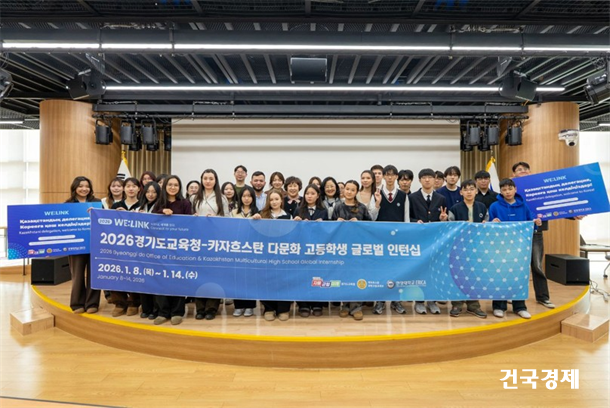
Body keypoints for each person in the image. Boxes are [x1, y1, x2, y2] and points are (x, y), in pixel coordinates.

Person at [512, 161, 563, 309]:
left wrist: (573, 215)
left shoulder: (540, 188)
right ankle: (511, 296)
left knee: (537, 266)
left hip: (535, 232)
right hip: (515, 233)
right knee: (513, 266)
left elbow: (556, 206)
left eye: (525, 169)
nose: (523, 171)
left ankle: (543, 297)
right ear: (513, 174)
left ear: (530, 172)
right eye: (519, 169)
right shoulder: (510, 189)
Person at [489, 178, 542, 320]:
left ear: (515, 189)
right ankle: (498, 306)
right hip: (500, 247)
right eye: (504, 190)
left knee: (520, 276)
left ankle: (520, 307)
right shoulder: (494, 206)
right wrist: (492, 222)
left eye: (510, 189)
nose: (507, 192)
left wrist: (536, 222)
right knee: (499, 275)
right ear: (500, 191)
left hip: (520, 248)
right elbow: (488, 226)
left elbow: (531, 223)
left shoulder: (523, 205)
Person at [152, 175, 192, 325]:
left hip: (179, 248)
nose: (173, 187)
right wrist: (162, 213)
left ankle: (177, 311)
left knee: (178, 279)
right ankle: (163, 312)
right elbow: (151, 222)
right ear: (165, 186)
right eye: (170, 184)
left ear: (179, 187)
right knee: (160, 279)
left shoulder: (185, 203)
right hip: (161, 248)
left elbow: (189, 224)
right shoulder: (159, 203)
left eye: (176, 185)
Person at [446, 179, 488, 319]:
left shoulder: (482, 207)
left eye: (471, 189)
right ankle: (457, 304)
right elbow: (450, 227)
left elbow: (487, 224)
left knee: (474, 276)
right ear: (461, 192)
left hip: (477, 247)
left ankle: (473, 305)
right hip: (459, 247)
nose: (469, 192)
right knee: (458, 275)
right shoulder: (455, 208)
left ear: (476, 191)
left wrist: (487, 224)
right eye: (465, 189)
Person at [192, 169, 229, 321]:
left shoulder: (222, 198)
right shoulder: (194, 197)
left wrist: (216, 218)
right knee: (199, 274)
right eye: (205, 178)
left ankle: (212, 308)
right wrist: (193, 217)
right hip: (198, 241)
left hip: (215, 241)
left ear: (215, 180)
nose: (208, 181)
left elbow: (227, 219)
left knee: (214, 274)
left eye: (211, 178)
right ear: (201, 180)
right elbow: (187, 218)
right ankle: (200, 308)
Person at [409, 168, 448, 315]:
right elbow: (408, 217)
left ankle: (432, 301)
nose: (427, 180)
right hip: (418, 240)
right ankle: (419, 302)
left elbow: (444, 217)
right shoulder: (412, 197)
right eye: (424, 177)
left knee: (434, 270)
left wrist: (443, 219)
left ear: (434, 179)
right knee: (419, 270)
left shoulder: (441, 198)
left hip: (435, 240)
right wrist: (415, 221)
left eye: (430, 177)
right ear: (420, 180)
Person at [373, 165, 411, 315]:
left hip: (397, 240)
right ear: (383, 177)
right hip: (380, 239)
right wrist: (377, 203)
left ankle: (396, 300)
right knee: (381, 270)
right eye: (387, 175)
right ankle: (380, 300)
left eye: (392, 175)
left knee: (397, 270)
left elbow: (406, 219)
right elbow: (372, 217)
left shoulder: (403, 196)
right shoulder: (376, 193)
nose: (389, 177)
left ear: (396, 177)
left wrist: (405, 238)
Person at [332, 180, 372, 321]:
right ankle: (345, 306)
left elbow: (370, 226)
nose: (349, 192)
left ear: (357, 192)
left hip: (357, 248)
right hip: (342, 249)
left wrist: (359, 224)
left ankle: (356, 307)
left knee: (356, 276)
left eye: (352, 190)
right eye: (347, 189)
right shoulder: (338, 207)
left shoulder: (361, 207)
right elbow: (329, 227)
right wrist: (336, 223)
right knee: (343, 276)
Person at [253, 190, 292, 321]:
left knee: (284, 281)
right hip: (266, 255)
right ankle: (269, 308)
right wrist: (255, 220)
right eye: (271, 199)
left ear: (281, 200)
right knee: (267, 280)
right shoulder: (262, 215)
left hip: (283, 255)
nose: (274, 202)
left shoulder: (288, 216)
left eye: (276, 199)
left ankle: (283, 309)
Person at [65, 176, 101, 314]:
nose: (84, 189)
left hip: (95, 244)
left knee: (94, 274)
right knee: (77, 275)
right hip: (76, 245)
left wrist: (97, 213)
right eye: (80, 186)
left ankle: (92, 303)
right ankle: (77, 303)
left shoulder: (97, 203)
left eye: (87, 186)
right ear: (75, 188)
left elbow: (104, 220)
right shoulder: (67, 204)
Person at [294, 184, 328, 318]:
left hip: (318, 250)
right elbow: (293, 230)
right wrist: (296, 222)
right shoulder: (299, 210)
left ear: (318, 196)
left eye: (313, 193)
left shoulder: (323, 211)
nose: (309, 196)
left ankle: (317, 304)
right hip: (302, 249)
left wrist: (322, 224)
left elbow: (329, 231)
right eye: (307, 193)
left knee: (318, 275)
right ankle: (303, 304)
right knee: (302, 276)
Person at [109, 178, 142, 317]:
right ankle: (119, 302)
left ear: (139, 189)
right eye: (128, 186)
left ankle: (134, 302)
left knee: (135, 273)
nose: (131, 189)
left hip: (138, 246)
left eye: (134, 186)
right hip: (119, 245)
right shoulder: (116, 205)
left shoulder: (142, 205)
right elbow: (108, 224)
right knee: (117, 272)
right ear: (124, 189)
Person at [230, 185, 259, 318]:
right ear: (240, 198)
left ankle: (250, 306)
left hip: (252, 250)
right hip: (237, 249)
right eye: (244, 196)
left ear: (253, 198)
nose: (246, 199)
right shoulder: (233, 212)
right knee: (238, 278)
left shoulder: (258, 213)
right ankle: (238, 306)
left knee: (251, 279)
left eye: (249, 196)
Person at [137, 181, 161, 320]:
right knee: (143, 279)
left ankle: (155, 309)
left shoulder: (161, 207)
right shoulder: (140, 206)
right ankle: (146, 308)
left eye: (154, 192)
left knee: (155, 279)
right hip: (142, 248)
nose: (150, 195)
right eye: (148, 192)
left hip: (156, 249)